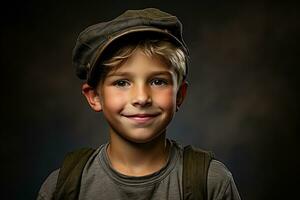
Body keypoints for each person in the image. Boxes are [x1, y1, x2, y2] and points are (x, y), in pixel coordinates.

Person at [37, 8, 241, 200]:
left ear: (179, 95)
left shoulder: (211, 182)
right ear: (94, 97)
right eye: (122, 82)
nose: (142, 98)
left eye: (158, 81)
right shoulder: (62, 186)